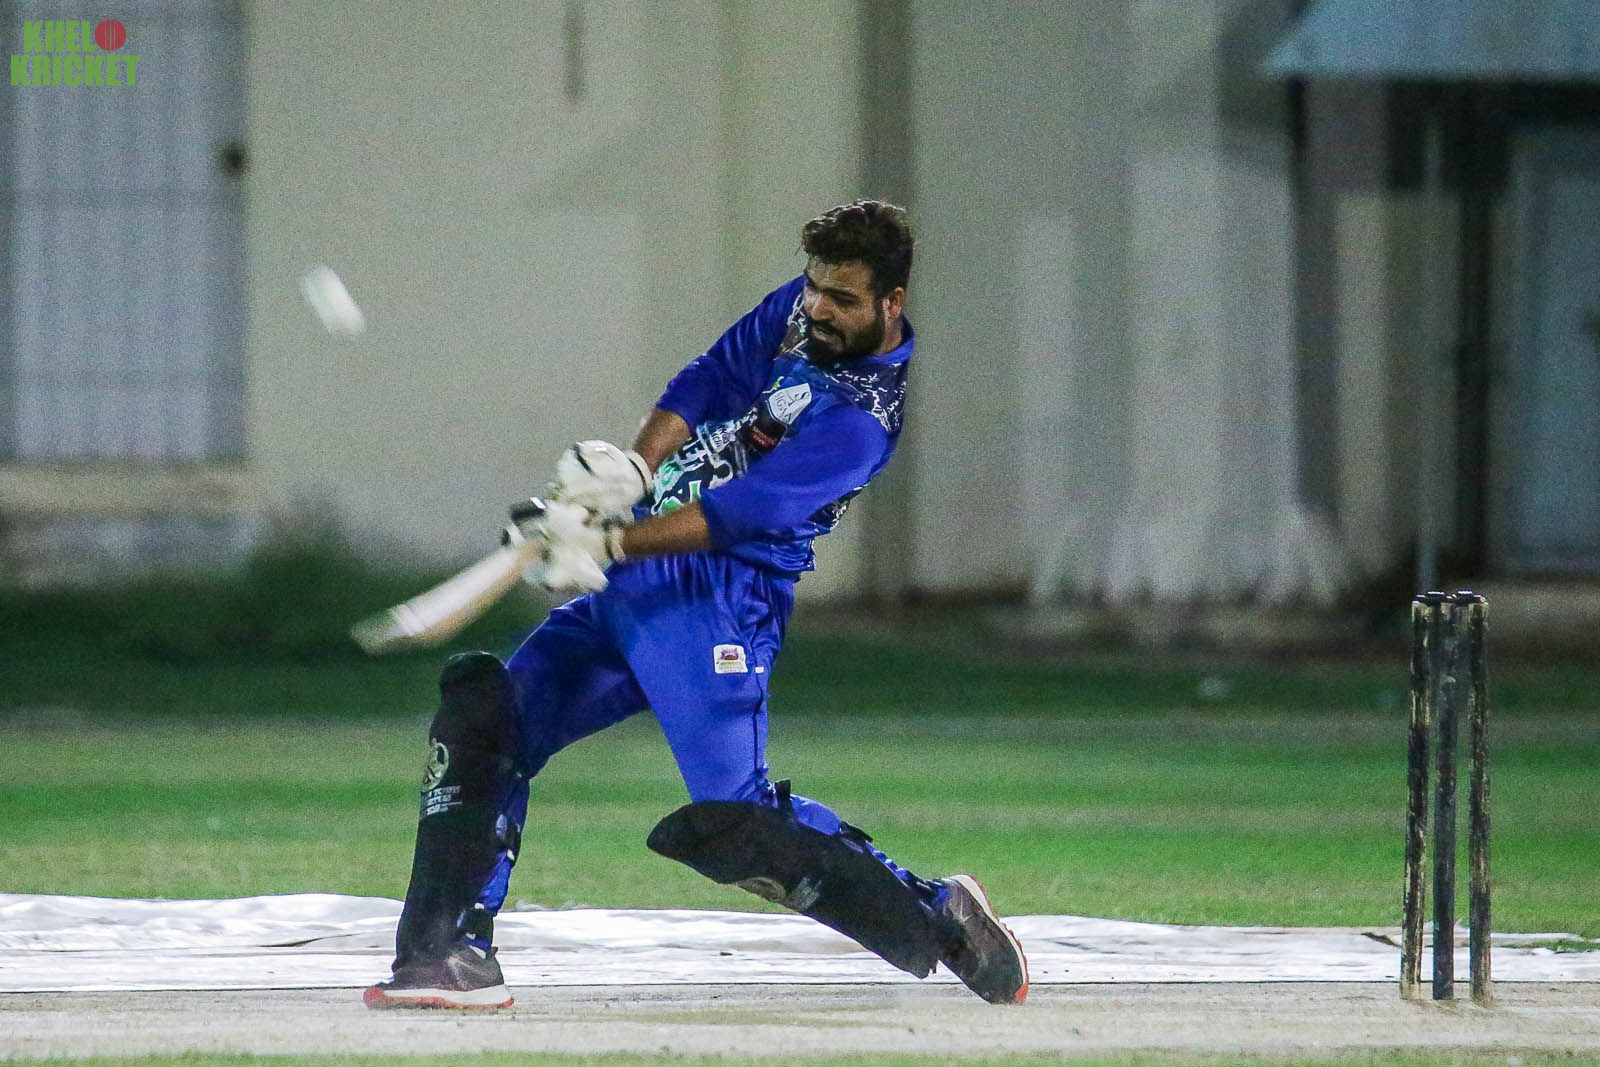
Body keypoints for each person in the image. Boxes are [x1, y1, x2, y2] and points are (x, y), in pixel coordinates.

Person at [363, 199, 1028, 1010]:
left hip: (719, 600)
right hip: (639, 577)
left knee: (738, 822)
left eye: (843, 298)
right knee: (485, 724)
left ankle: (939, 917)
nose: (818, 307)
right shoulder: (800, 312)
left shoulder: (861, 422)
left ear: (892, 302)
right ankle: (447, 955)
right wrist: (635, 472)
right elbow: (709, 377)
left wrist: (605, 540)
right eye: (815, 287)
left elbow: (738, 513)